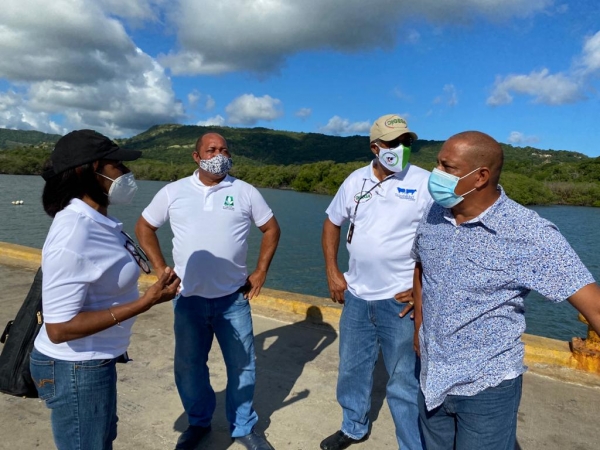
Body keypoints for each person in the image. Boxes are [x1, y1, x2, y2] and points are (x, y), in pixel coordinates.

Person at [411, 131, 600, 450]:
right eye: (437, 163)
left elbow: (594, 306)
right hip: (431, 375)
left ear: (480, 176)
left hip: (487, 386)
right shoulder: (433, 214)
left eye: (447, 166)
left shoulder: (529, 234)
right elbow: (421, 268)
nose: (436, 173)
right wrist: (419, 326)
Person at [30, 129, 181, 450]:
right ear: (90, 171)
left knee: (100, 441)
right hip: (75, 368)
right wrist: (145, 302)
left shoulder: (100, 222)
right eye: (118, 166)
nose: (127, 173)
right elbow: (58, 329)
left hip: (95, 361)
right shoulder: (74, 233)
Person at [135, 132, 281, 450]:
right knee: (189, 366)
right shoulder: (174, 192)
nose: (219, 154)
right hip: (188, 299)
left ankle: (243, 427)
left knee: (242, 366)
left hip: (233, 300)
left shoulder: (245, 192)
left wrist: (260, 272)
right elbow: (144, 226)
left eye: (224, 149)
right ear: (196, 156)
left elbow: (271, 228)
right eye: (211, 149)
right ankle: (199, 423)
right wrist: (161, 270)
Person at [320, 115, 431, 450]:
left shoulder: (425, 183)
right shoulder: (355, 181)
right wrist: (332, 270)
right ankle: (353, 426)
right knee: (352, 369)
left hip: (398, 300)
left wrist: (422, 291)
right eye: (394, 143)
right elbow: (331, 222)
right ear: (375, 147)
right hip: (356, 295)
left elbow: (446, 239)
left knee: (402, 382)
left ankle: (412, 445)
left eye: (406, 142)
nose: (401, 149)